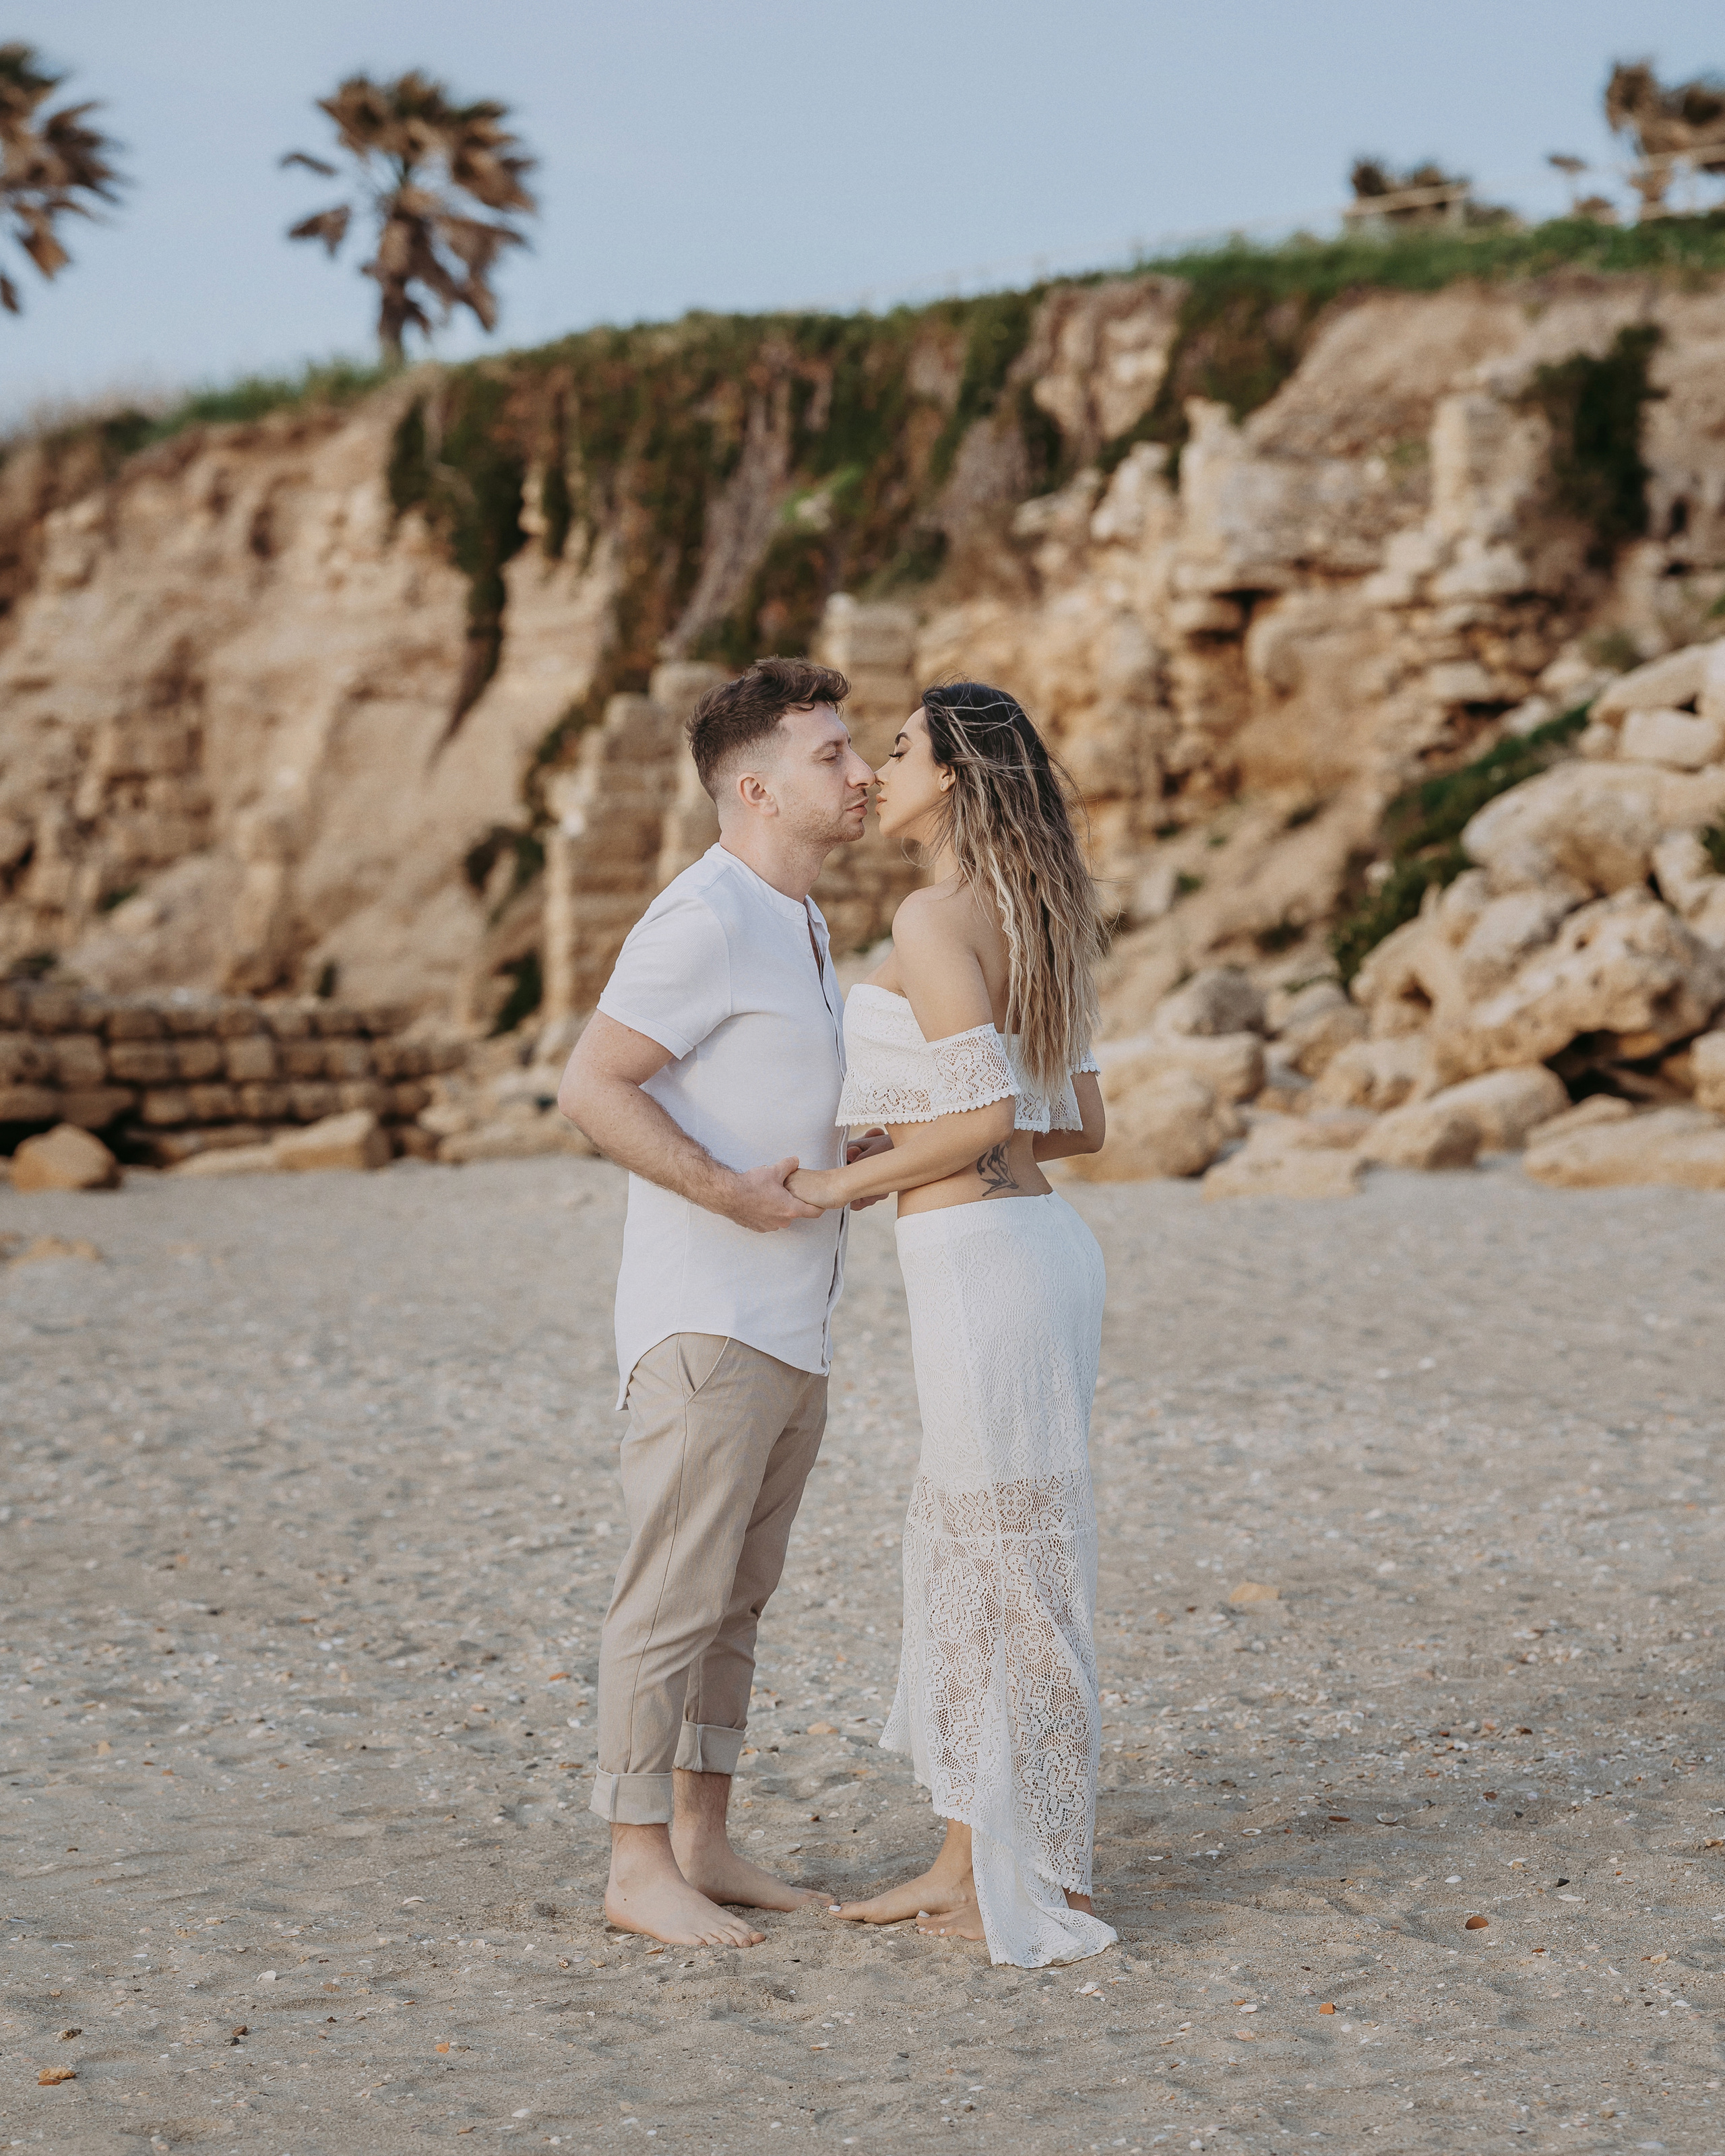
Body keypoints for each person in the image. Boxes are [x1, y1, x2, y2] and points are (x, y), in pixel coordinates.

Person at [781, 681, 1117, 1969]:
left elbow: (979, 1123)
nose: (878, 769)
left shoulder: (932, 916)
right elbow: (1073, 1126)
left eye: (902, 749)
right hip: (1036, 1251)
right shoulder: (1038, 912)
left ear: (958, 777)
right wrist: (917, 1140)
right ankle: (968, 1861)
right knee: (996, 1561)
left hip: (980, 1261)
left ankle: (1013, 1880)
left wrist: (837, 1183)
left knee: (999, 1566)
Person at [557, 656, 879, 1950]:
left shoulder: (796, 922)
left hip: (794, 1324)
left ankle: (702, 1840)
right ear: (756, 789)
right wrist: (724, 1194)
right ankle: (635, 1864)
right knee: (671, 1597)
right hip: (709, 1323)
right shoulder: (701, 917)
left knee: (736, 1602)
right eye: (831, 756)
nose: (862, 774)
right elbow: (593, 1085)